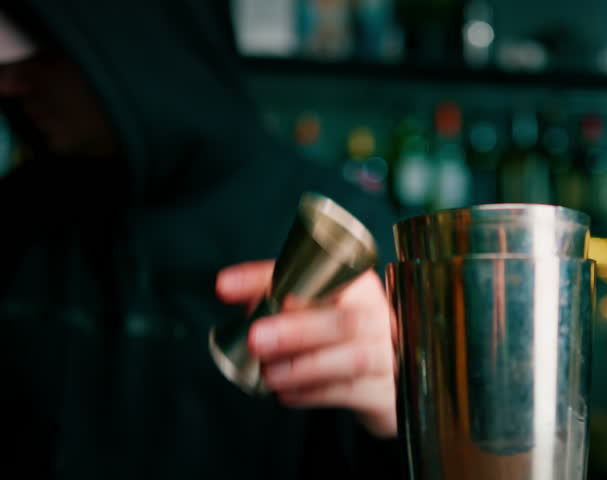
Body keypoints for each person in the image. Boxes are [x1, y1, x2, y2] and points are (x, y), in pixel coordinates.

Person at [0, 1, 399, 479]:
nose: (10, 84)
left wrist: (405, 424)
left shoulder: (346, 236)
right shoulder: (15, 217)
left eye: (48, 53)